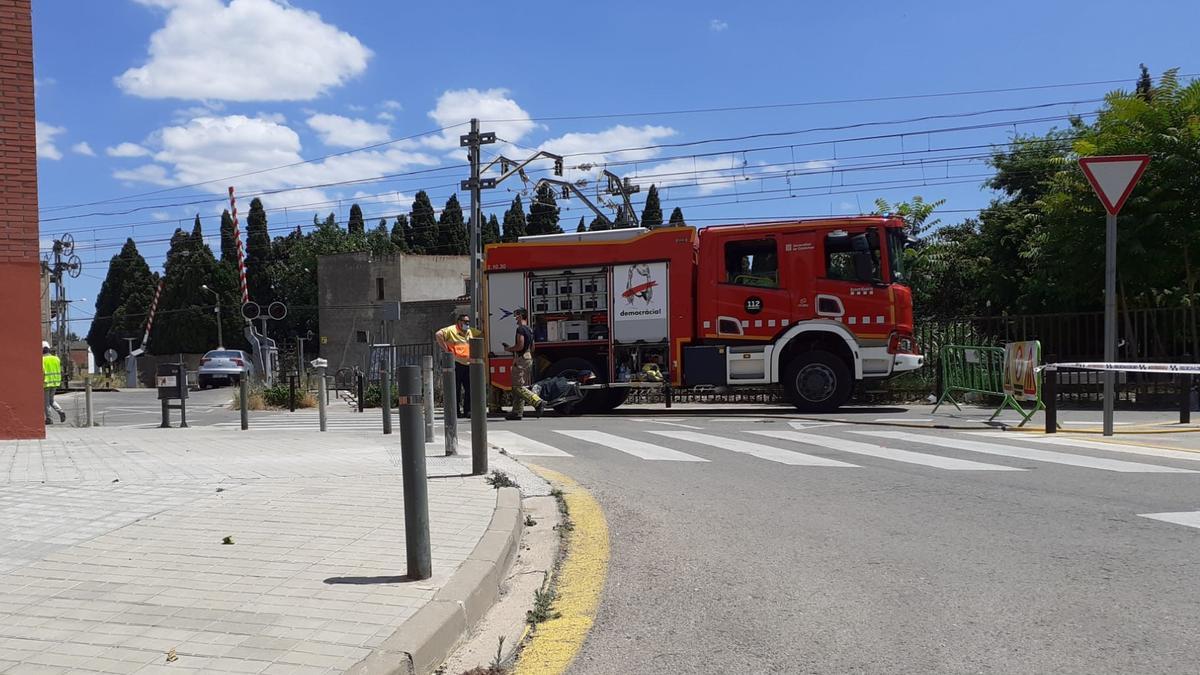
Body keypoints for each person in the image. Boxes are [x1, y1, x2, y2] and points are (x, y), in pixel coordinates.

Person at [502, 308, 543, 420]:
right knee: (520, 385)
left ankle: (537, 402)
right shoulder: (529, 329)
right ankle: (517, 412)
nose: (515, 318)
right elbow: (533, 347)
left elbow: (520, 345)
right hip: (528, 357)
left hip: (521, 358)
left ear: (520, 316)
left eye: (516, 315)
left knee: (517, 387)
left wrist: (509, 349)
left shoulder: (520, 329)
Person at [435, 313, 477, 418]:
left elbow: (482, 334)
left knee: (469, 389)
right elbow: (438, 335)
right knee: (456, 388)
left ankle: (468, 410)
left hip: (468, 364)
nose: (467, 324)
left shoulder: (470, 331)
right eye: (465, 322)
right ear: (459, 321)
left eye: (468, 322)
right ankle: (456, 411)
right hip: (456, 363)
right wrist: (446, 350)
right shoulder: (451, 330)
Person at [42, 341, 65, 424]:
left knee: (46, 402)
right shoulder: (56, 358)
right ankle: (60, 411)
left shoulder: (42, 359)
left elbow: (42, 371)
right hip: (55, 382)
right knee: (51, 400)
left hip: (46, 383)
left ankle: (49, 419)